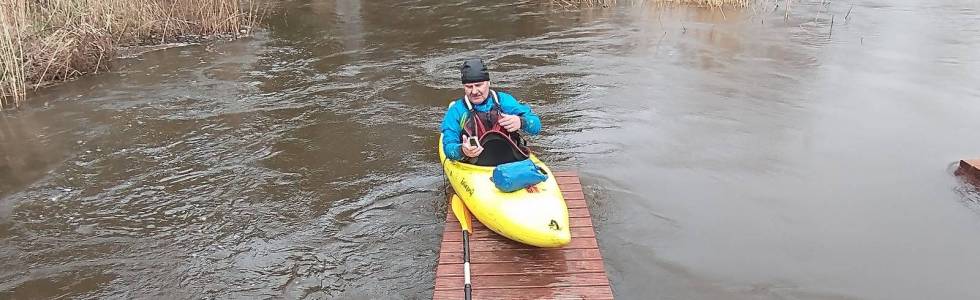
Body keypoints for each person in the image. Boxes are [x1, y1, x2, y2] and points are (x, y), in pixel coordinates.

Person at [440, 58, 541, 166]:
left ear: (488, 83)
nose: (474, 91)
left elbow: (536, 126)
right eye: (469, 87)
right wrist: (462, 150)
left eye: (479, 85)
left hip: (510, 160)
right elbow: (448, 147)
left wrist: (521, 122)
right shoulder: (456, 110)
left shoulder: (504, 101)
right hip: (475, 165)